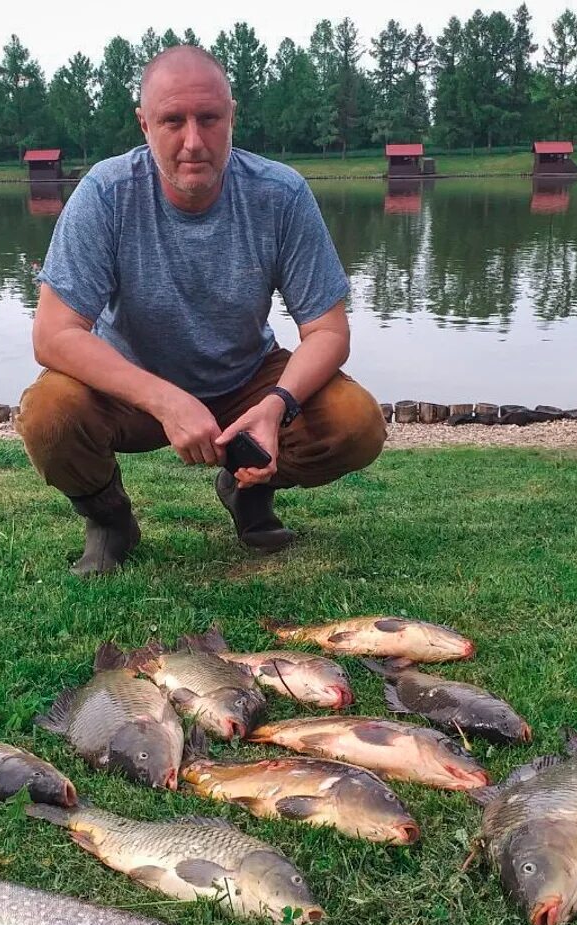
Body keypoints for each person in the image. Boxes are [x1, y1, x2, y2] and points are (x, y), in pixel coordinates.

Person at [19, 45, 386, 576]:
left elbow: (327, 329)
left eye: (209, 119)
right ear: (144, 124)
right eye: (173, 120)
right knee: (48, 412)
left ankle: (246, 489)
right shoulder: (104, 194)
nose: (193, 141)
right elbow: (53, 334)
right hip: (134, 387)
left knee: (357, 422)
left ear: (231, 116)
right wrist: (166, 401)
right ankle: (109, 518)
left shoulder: (281, 194)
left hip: (247, 379)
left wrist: (277, 404)